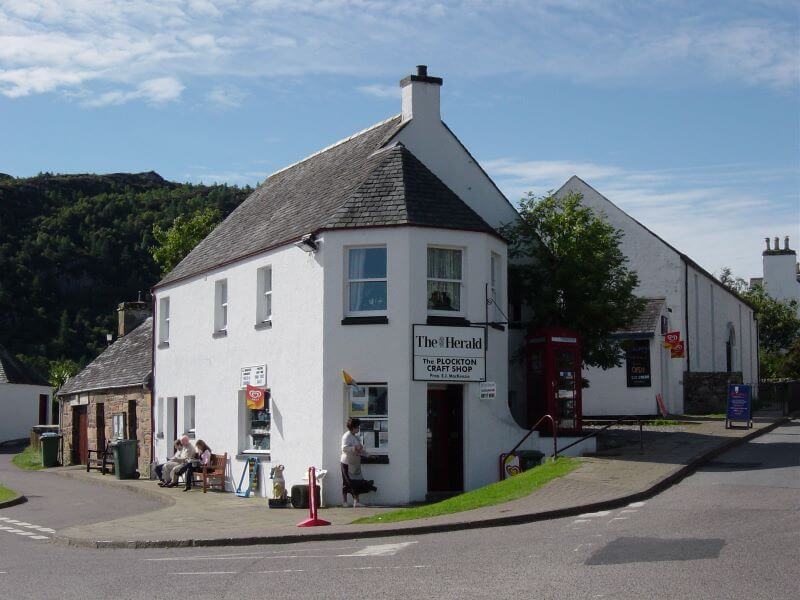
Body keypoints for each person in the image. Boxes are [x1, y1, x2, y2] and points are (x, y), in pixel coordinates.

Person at [340, 418, 377, 507]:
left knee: (357, 481)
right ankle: (345, 502)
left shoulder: (356, 436)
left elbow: (361, 450)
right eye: (357, 427)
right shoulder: (346, 436)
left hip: (355, 462)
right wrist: (354, 448)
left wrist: (368, 455)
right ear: (353, 427)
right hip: (347, 462)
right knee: (347, 482)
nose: (359, 429)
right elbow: (344, 448)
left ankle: (356, 501)